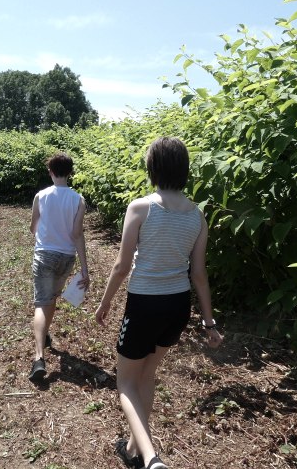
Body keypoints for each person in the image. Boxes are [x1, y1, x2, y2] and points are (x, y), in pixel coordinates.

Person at [95, 137, 223, 469]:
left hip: (144, 305)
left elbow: (122, 266)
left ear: (153, 168)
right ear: (184, 169)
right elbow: (199, 274)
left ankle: (151, 459)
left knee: (125, 382)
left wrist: (105, 302)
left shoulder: (140, 207)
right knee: (147, 374)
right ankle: (135, 450)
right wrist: (209, 322)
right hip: (177, 306)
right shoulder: (197, 215)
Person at [28, 152, 90, 382]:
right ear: (70, 173)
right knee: (51, 298)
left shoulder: (41, 196)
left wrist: (44, 230)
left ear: (51, 172)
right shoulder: (78, 200)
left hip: (44, 254)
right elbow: (77, 234)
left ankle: (38, 358)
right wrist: (85, 269)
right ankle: (44, 336)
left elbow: (33, 227)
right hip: (66, 256)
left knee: (42, 302)